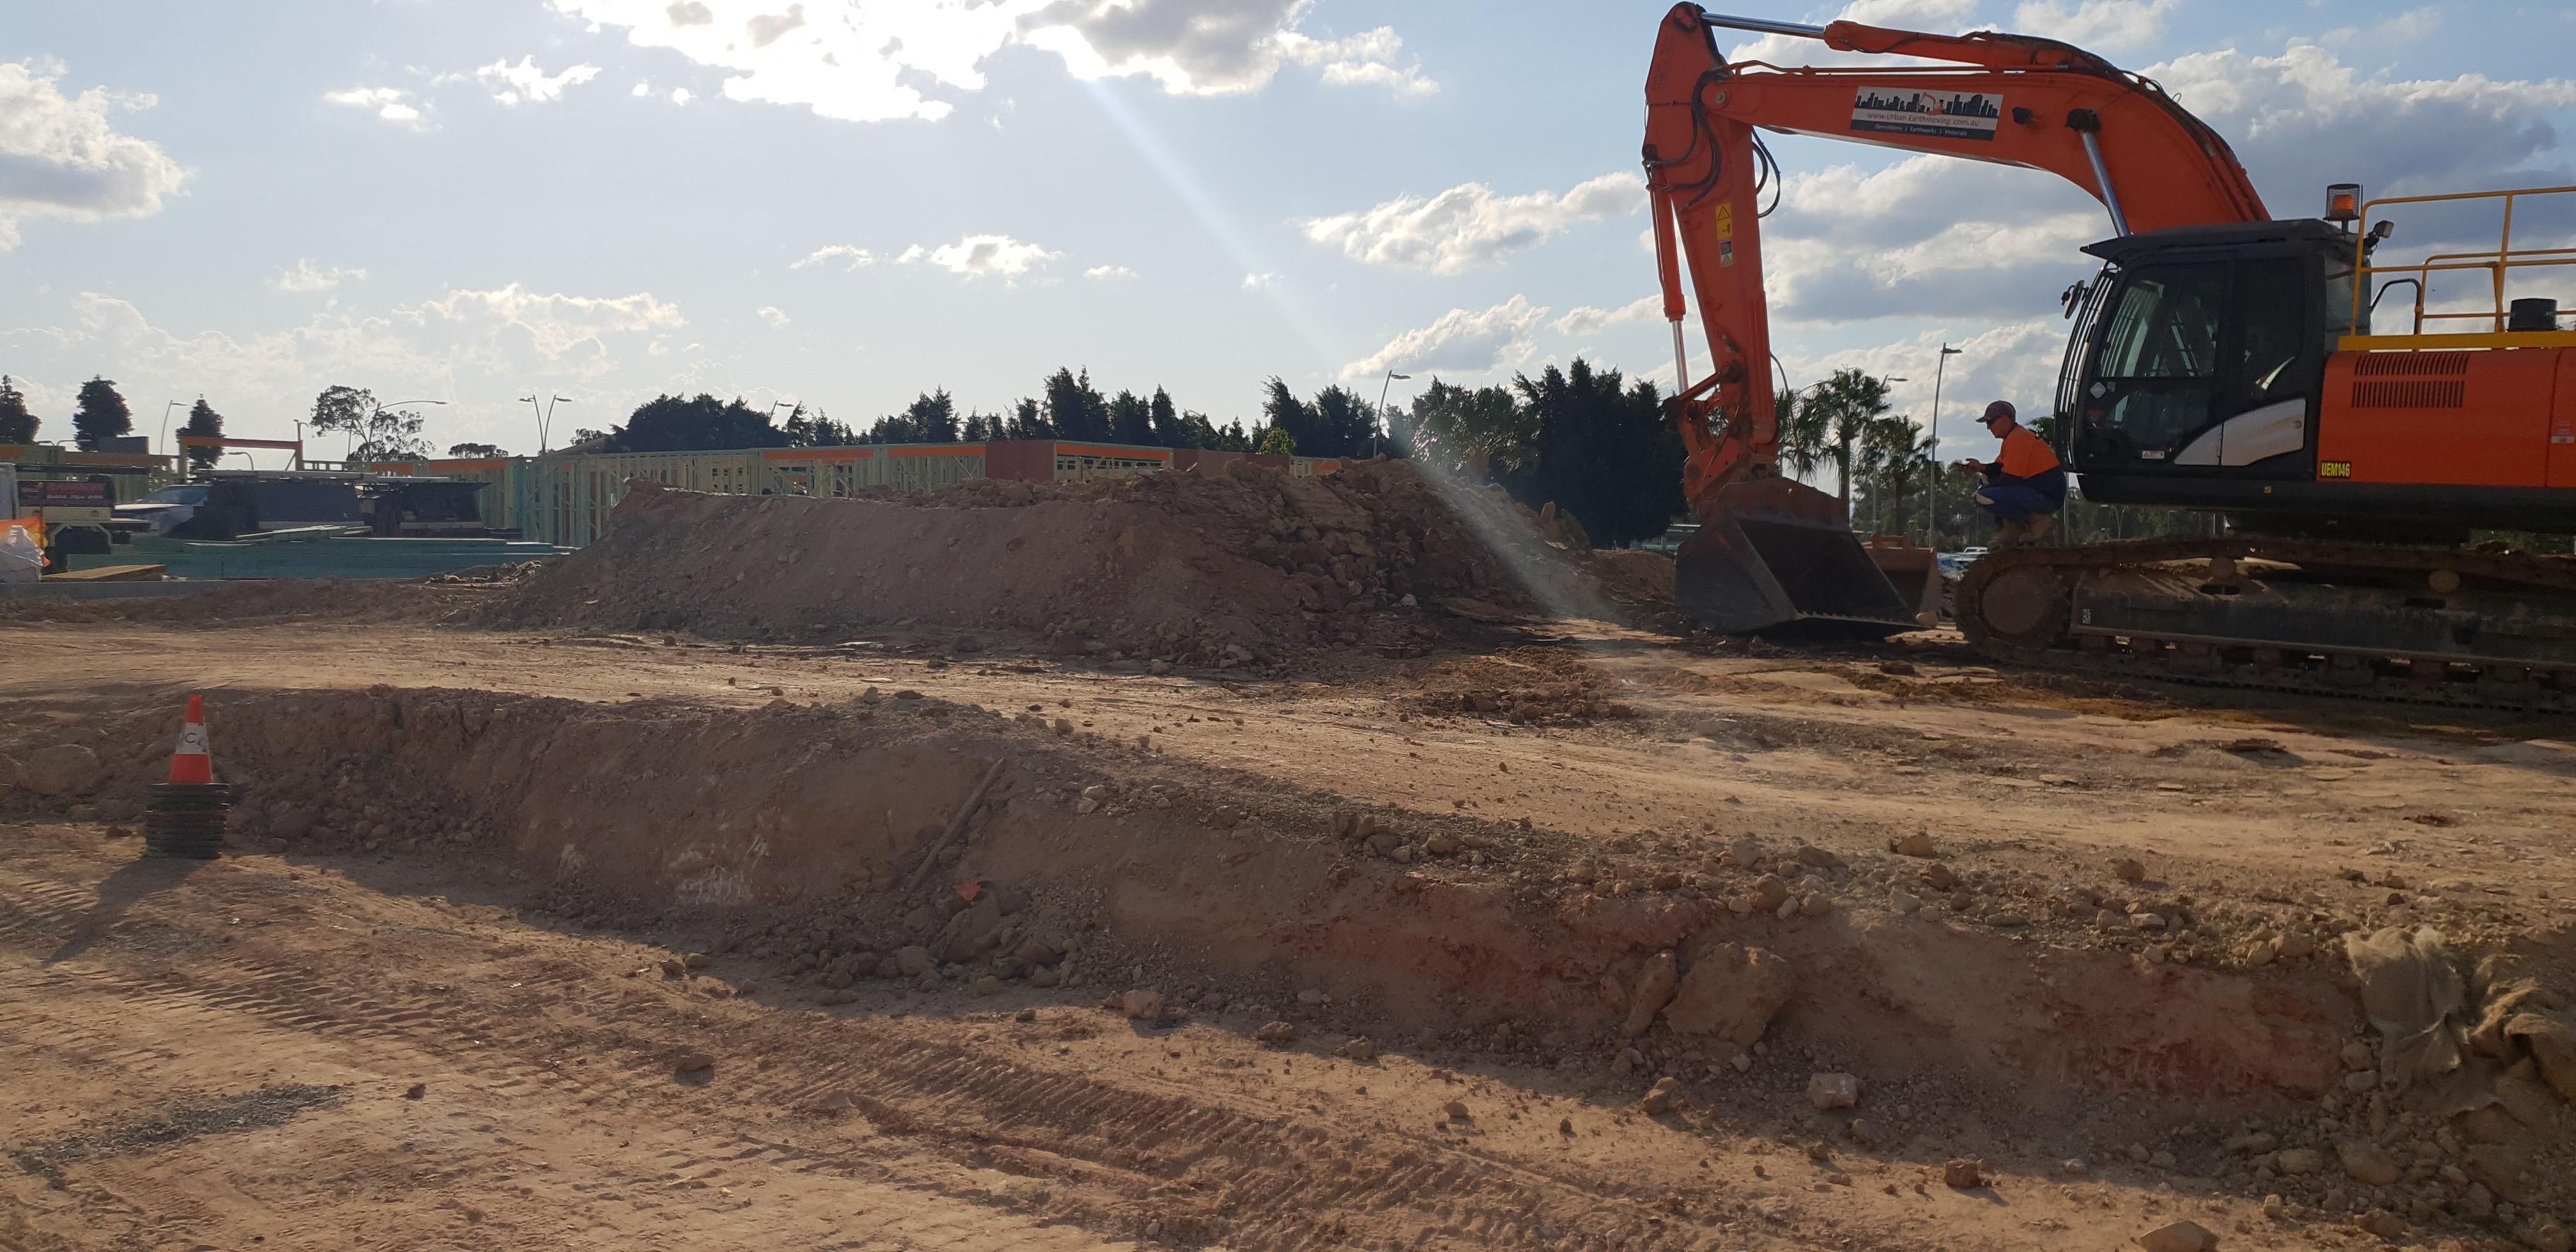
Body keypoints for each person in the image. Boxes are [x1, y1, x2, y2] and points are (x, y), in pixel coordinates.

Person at [1954, 401, 2066, 543]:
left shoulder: (2019, 439)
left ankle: (2037, 520)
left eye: (1991, 422)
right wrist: (1982, 467)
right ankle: (2014, 528)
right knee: (1984, 480)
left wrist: (1988, 488)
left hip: (2046, 496)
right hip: (2038, 491)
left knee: (1982, 496)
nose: (1989, 428)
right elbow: (2000, 468)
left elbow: (2011, 479)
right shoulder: (2012, 438)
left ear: (2006, 419)